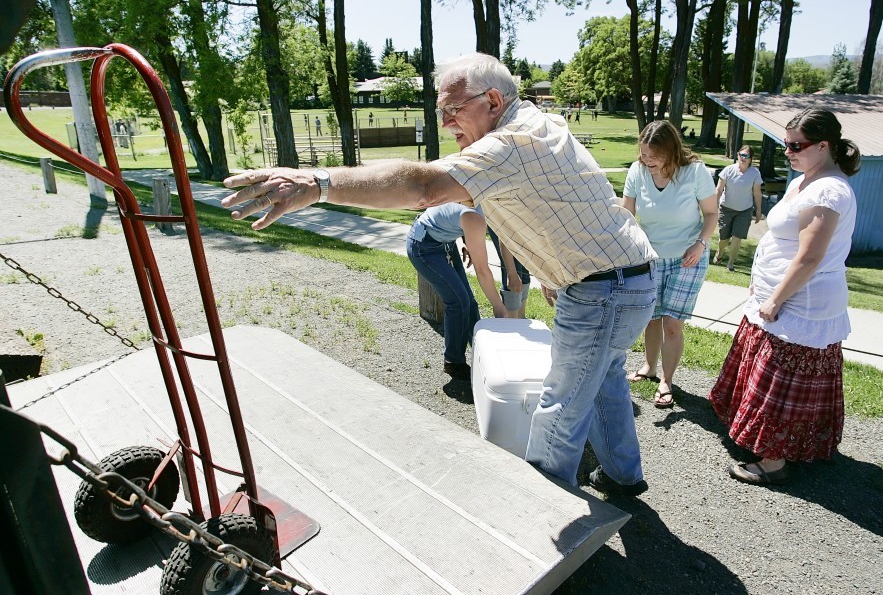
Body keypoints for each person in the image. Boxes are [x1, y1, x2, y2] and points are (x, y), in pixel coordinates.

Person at [221, 52, 659, 495]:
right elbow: (551, 207)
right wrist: (552, 272)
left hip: (603, 289)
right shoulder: (539, 126)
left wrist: (318, 184)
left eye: (454, 109)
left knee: (559, 405)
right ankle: (623, 476)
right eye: (441, 112)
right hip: (623, 279)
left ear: (492, 99)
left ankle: (543, 509)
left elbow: (423, 187)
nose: (448, 123)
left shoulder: (512, 144)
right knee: (604, 378)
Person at [708, 108, 860, 486]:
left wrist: (776, 298)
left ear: (824, 146)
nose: (787, 151)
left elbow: (810, 257)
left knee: (781, 386)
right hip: (774, 296)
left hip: (798, 305)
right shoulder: (806, 180)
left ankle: (773, 461)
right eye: (785, 143)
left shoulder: (829, 189)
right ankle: (778, 442)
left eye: (796, 145)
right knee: (765, 379)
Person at [622, 120, 718, 409]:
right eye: (643, 155)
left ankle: (666, 379)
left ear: (671, 151)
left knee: (672, 324)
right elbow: (627, 214)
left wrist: (700, 244)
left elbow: (711, 214)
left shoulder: (695, 172)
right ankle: (649, 366)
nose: (647, 161)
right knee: (650, 318)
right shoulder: (637, 171)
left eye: (653, 156)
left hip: (688, 257)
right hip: (650, 257)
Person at [407, 203, 507, 380]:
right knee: (459, 302)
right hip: (424, 247)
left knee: (469, 303)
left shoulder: (483, 206)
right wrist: (498, 306)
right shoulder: (476, 215)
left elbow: (456, 215)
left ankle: (480, 352)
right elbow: (482, 270)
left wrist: (467, 240)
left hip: (445, 243)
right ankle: (453, 362)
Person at [714, 145, 763, 271]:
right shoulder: (728, 170)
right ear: (737, 155)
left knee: (737, 238)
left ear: (751, 159)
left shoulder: (755, 173)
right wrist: (714, 205)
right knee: (723, 239)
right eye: (741, 155)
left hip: (744, 211)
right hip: (726, 208)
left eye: (746, 156)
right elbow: (719, 189)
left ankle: (730, 264)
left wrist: (758, 210)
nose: (743, 158)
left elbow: (757, 193)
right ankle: (720, 252)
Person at [488, 227, 530, 318]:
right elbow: (504, 237)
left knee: (524, 268)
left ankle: (521, 319)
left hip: (520, 223)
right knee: (513, 271)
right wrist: (511, 274)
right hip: (503, 221)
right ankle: (511, 323)